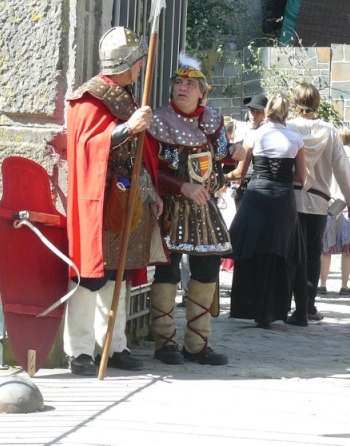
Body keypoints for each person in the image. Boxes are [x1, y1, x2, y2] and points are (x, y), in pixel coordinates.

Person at [64, 26, 159, 376]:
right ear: (126, 62)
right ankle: (81, 351)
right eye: (137, 63)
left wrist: (151, 195)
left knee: (118, 274)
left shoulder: (127, 96)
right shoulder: (91, 96)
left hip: (128, 197)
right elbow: (89, 145)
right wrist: (127, 128)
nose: (140, 69)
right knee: (90, 276)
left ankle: (115, 344)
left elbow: (140, 153)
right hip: (99, 198)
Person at [144, 53, 244, 366]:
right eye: (178, 82)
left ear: (202, 91)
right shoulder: (158, 122)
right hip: (169, 208)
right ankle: (165, 342)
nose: (182, 87)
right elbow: (148, 169)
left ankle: (197, 344)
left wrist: (235, 155)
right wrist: (180, 186)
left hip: (204, 209)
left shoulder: (213, 120)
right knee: (167, 272)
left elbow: (224, 157)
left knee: (206, 272)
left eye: (190, 83)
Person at [226, 94, 307, 328]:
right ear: (287, 112)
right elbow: (301, 177)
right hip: (283, 199)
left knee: (252, 249)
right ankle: (273, 310)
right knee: (279, 252)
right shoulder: (295, 138)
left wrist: (220, 176)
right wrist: (281, 177)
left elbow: (240, 173)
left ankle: (248, 305)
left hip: (257, 195)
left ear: (268, 110)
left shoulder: (255, 135)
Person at [286, 83, 350, 321]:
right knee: (311, 253)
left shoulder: (287, 128)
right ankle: (307, 306)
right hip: (318, 203)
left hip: (291, 199)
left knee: (289, 253)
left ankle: (285, 302)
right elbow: (342, 168)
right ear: (317, 102)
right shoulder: (329, 132)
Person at [318, 126, 350, 296]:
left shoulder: (328, 155)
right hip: (347, 207)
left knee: (326, 248)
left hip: (329, 205)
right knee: (347, 249)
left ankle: (322, 283)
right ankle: (344, 285)